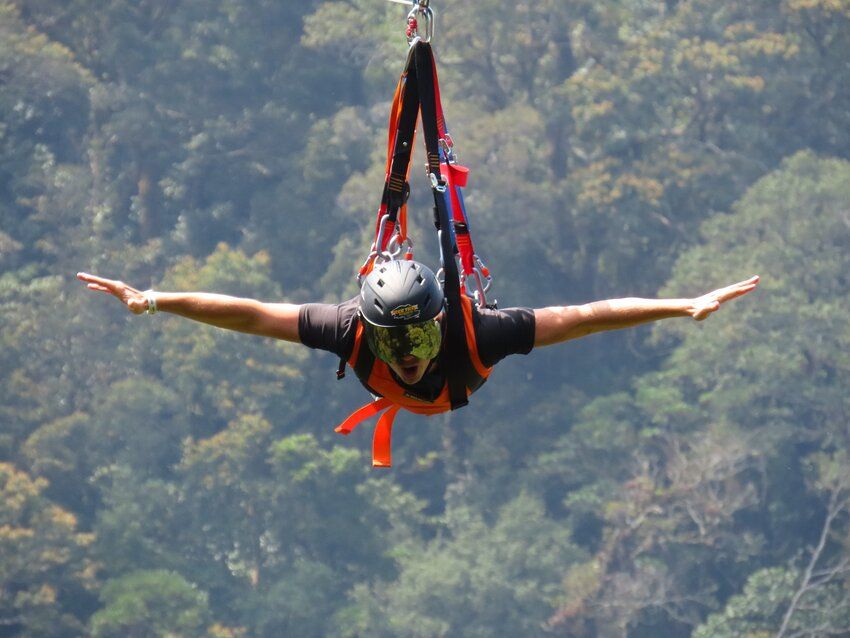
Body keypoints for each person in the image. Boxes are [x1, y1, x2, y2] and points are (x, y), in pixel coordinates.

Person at [77, 261, 758, 398]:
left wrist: (684, 304)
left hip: (459, 381)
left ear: (436, 326)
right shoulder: (350, 329)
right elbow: (250, 312)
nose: (404, 357)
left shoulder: (475, 333)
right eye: (392, 342)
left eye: (415, 340)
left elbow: (587, 316)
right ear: (372, 331)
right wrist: (156, 299)